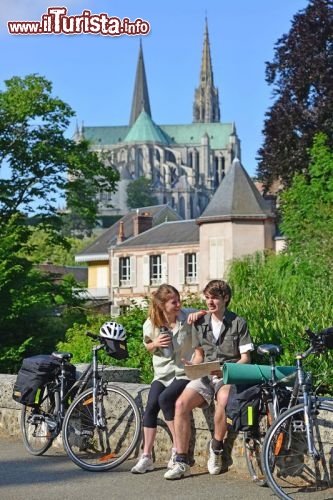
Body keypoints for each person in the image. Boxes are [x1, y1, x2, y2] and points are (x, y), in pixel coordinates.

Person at [164, 279, 254, 480]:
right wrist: (193, 365)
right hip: (205, 375)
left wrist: (227, 371)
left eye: (214, 298)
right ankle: (181, 461)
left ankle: (216, 448)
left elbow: (246, 359)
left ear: (226, 298)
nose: (209, 302)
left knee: (223, 400)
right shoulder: (200, 322)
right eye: (207, 298)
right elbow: (199, 354)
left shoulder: (238, 322)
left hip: (228, 374)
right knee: (180, 404)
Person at [131, 284, 205, 474]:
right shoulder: (151, 323)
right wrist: (155, 343)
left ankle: (176, 449)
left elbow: (206, 313)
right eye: (174, 302)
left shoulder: (186, 316)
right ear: (163, 305)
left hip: (183, 372)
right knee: (151, 406)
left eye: (179, 300)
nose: (179, 304)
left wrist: (198, 314)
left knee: (166, 399)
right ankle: (146, 456)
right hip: (163, 373)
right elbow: (147, 346)